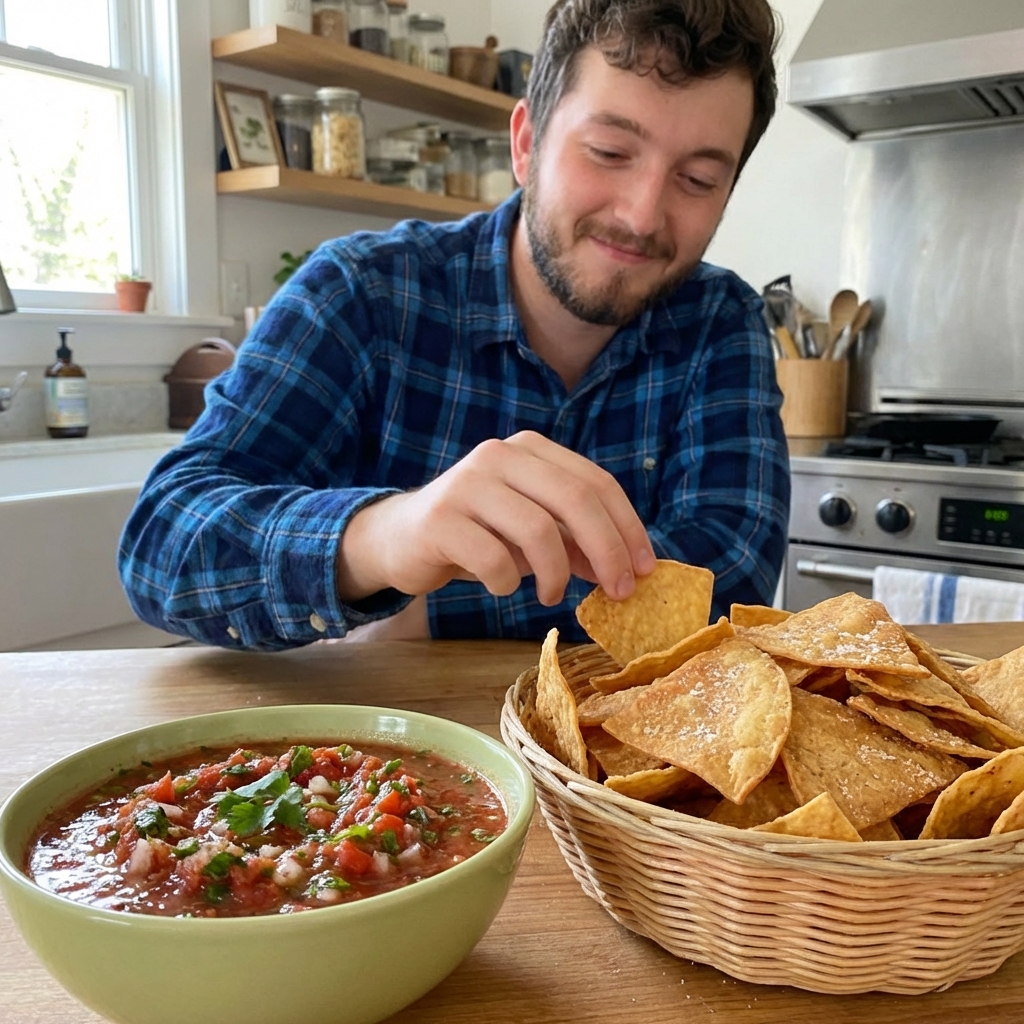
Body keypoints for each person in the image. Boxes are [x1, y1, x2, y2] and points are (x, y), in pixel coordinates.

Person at [119, 0, 790, 651]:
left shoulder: (721, 321)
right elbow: (163, 543)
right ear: (526, 144)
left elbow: (731, 573)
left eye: (698, 179)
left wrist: (433, 609)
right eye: (610, 152)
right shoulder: (363, 292)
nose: (643, 215)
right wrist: (383, 539)